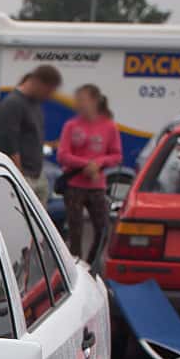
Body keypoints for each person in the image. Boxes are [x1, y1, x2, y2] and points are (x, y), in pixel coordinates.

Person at [57, 84, 119, 260]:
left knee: (103, 229)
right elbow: (62, 155)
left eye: (82, 100)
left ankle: (91, 265)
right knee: (75, 233)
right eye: (77, 100)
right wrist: (86, 164)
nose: (79, 104)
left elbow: (116, 155)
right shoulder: (71, 126)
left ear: (94, 101)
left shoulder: (109, 127)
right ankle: (75, 267)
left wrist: (99, 164)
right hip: (74, 186)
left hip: (97, 186)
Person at [0, 64, 60, 201]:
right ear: (39, 83)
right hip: (24, 176)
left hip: (37, 174)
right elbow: (8, 141)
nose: (49, 97)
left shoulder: (35, 104)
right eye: (48, 91)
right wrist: (19, 176)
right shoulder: (13, 104)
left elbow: (31, 137)